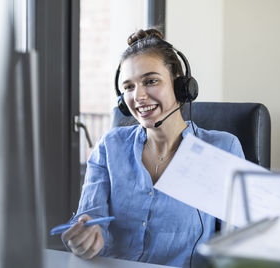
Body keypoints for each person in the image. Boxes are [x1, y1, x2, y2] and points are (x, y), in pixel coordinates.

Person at [61, 29, 244, 267]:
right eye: (128, 87)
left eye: (151, 81)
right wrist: (86, 236)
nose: (138, 96)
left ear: (180, 85)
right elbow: (93, 218)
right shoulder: (110, 146)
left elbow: (242, 240)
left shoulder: (221, 148)